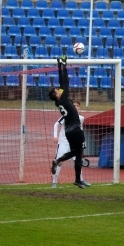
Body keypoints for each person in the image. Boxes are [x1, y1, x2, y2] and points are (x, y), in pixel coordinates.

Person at [49, 56, 87, 189]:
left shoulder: (58, 102)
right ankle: (77, 179)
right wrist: (63, 66)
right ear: (57, 95)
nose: (58, 90)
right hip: (76, 129)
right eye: (57, 90)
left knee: (76, 152)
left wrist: (60, 65)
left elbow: (62, 84)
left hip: (68, 131)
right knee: (79, 154)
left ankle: (59, 160)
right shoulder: (63, 99)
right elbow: (64, 81)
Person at [52, 100, 89, 188]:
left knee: (78, 161)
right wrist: (55, 136)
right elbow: (56, 125)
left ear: (79, 108)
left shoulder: (81, 118)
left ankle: (81, 180)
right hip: (63, 142)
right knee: (59, 161)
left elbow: (80, 129)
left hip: (74, 142)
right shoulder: (66, 116)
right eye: (74, 105)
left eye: (77, 106)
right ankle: (54, 182)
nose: (75, 107)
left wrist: (81, 140)